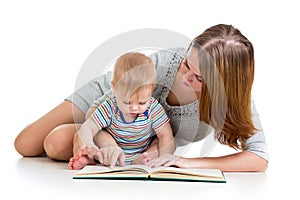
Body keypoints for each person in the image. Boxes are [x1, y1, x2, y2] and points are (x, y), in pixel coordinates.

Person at [14, 24, 268, 172]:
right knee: (25, 145)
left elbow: (259, 158)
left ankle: (85, 143)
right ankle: (89, 139)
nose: (185, 79)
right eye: (185, 65)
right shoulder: (162, 65)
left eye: (198, 78)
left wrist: (189, 162)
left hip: (135, 136)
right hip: (107, 101)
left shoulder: (234, 102)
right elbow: (99, 109)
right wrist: (106, 140)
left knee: (57, 144)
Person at [68, 52, 175, 170]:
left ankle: (139, 162)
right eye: (127, 102)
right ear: (114, 88)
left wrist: (163, 160)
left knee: (158, 144)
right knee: (80, 135)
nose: (134, 108)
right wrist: (89, 145)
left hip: (142, 154)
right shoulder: (110, 106)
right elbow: (87, 127)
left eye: (142, 102)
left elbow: (166, 135)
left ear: (151, 90)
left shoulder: (153, 108)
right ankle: (87, 159)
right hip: (109, 153)